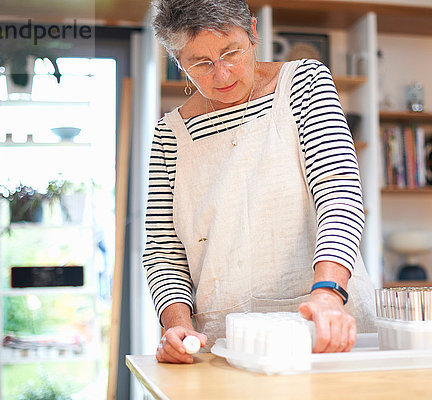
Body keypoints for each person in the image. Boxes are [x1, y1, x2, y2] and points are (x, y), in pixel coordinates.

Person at [144, 0, 376, 364]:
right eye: (199, 64)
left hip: (323, 326)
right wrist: (177, 325)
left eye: (230, 52)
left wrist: (328, 294)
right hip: (224, 341)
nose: (221, 75)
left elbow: (339, 194)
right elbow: (163, 249)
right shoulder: (170, 135)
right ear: (177, 61)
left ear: (252, 32)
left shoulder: (304, 84)